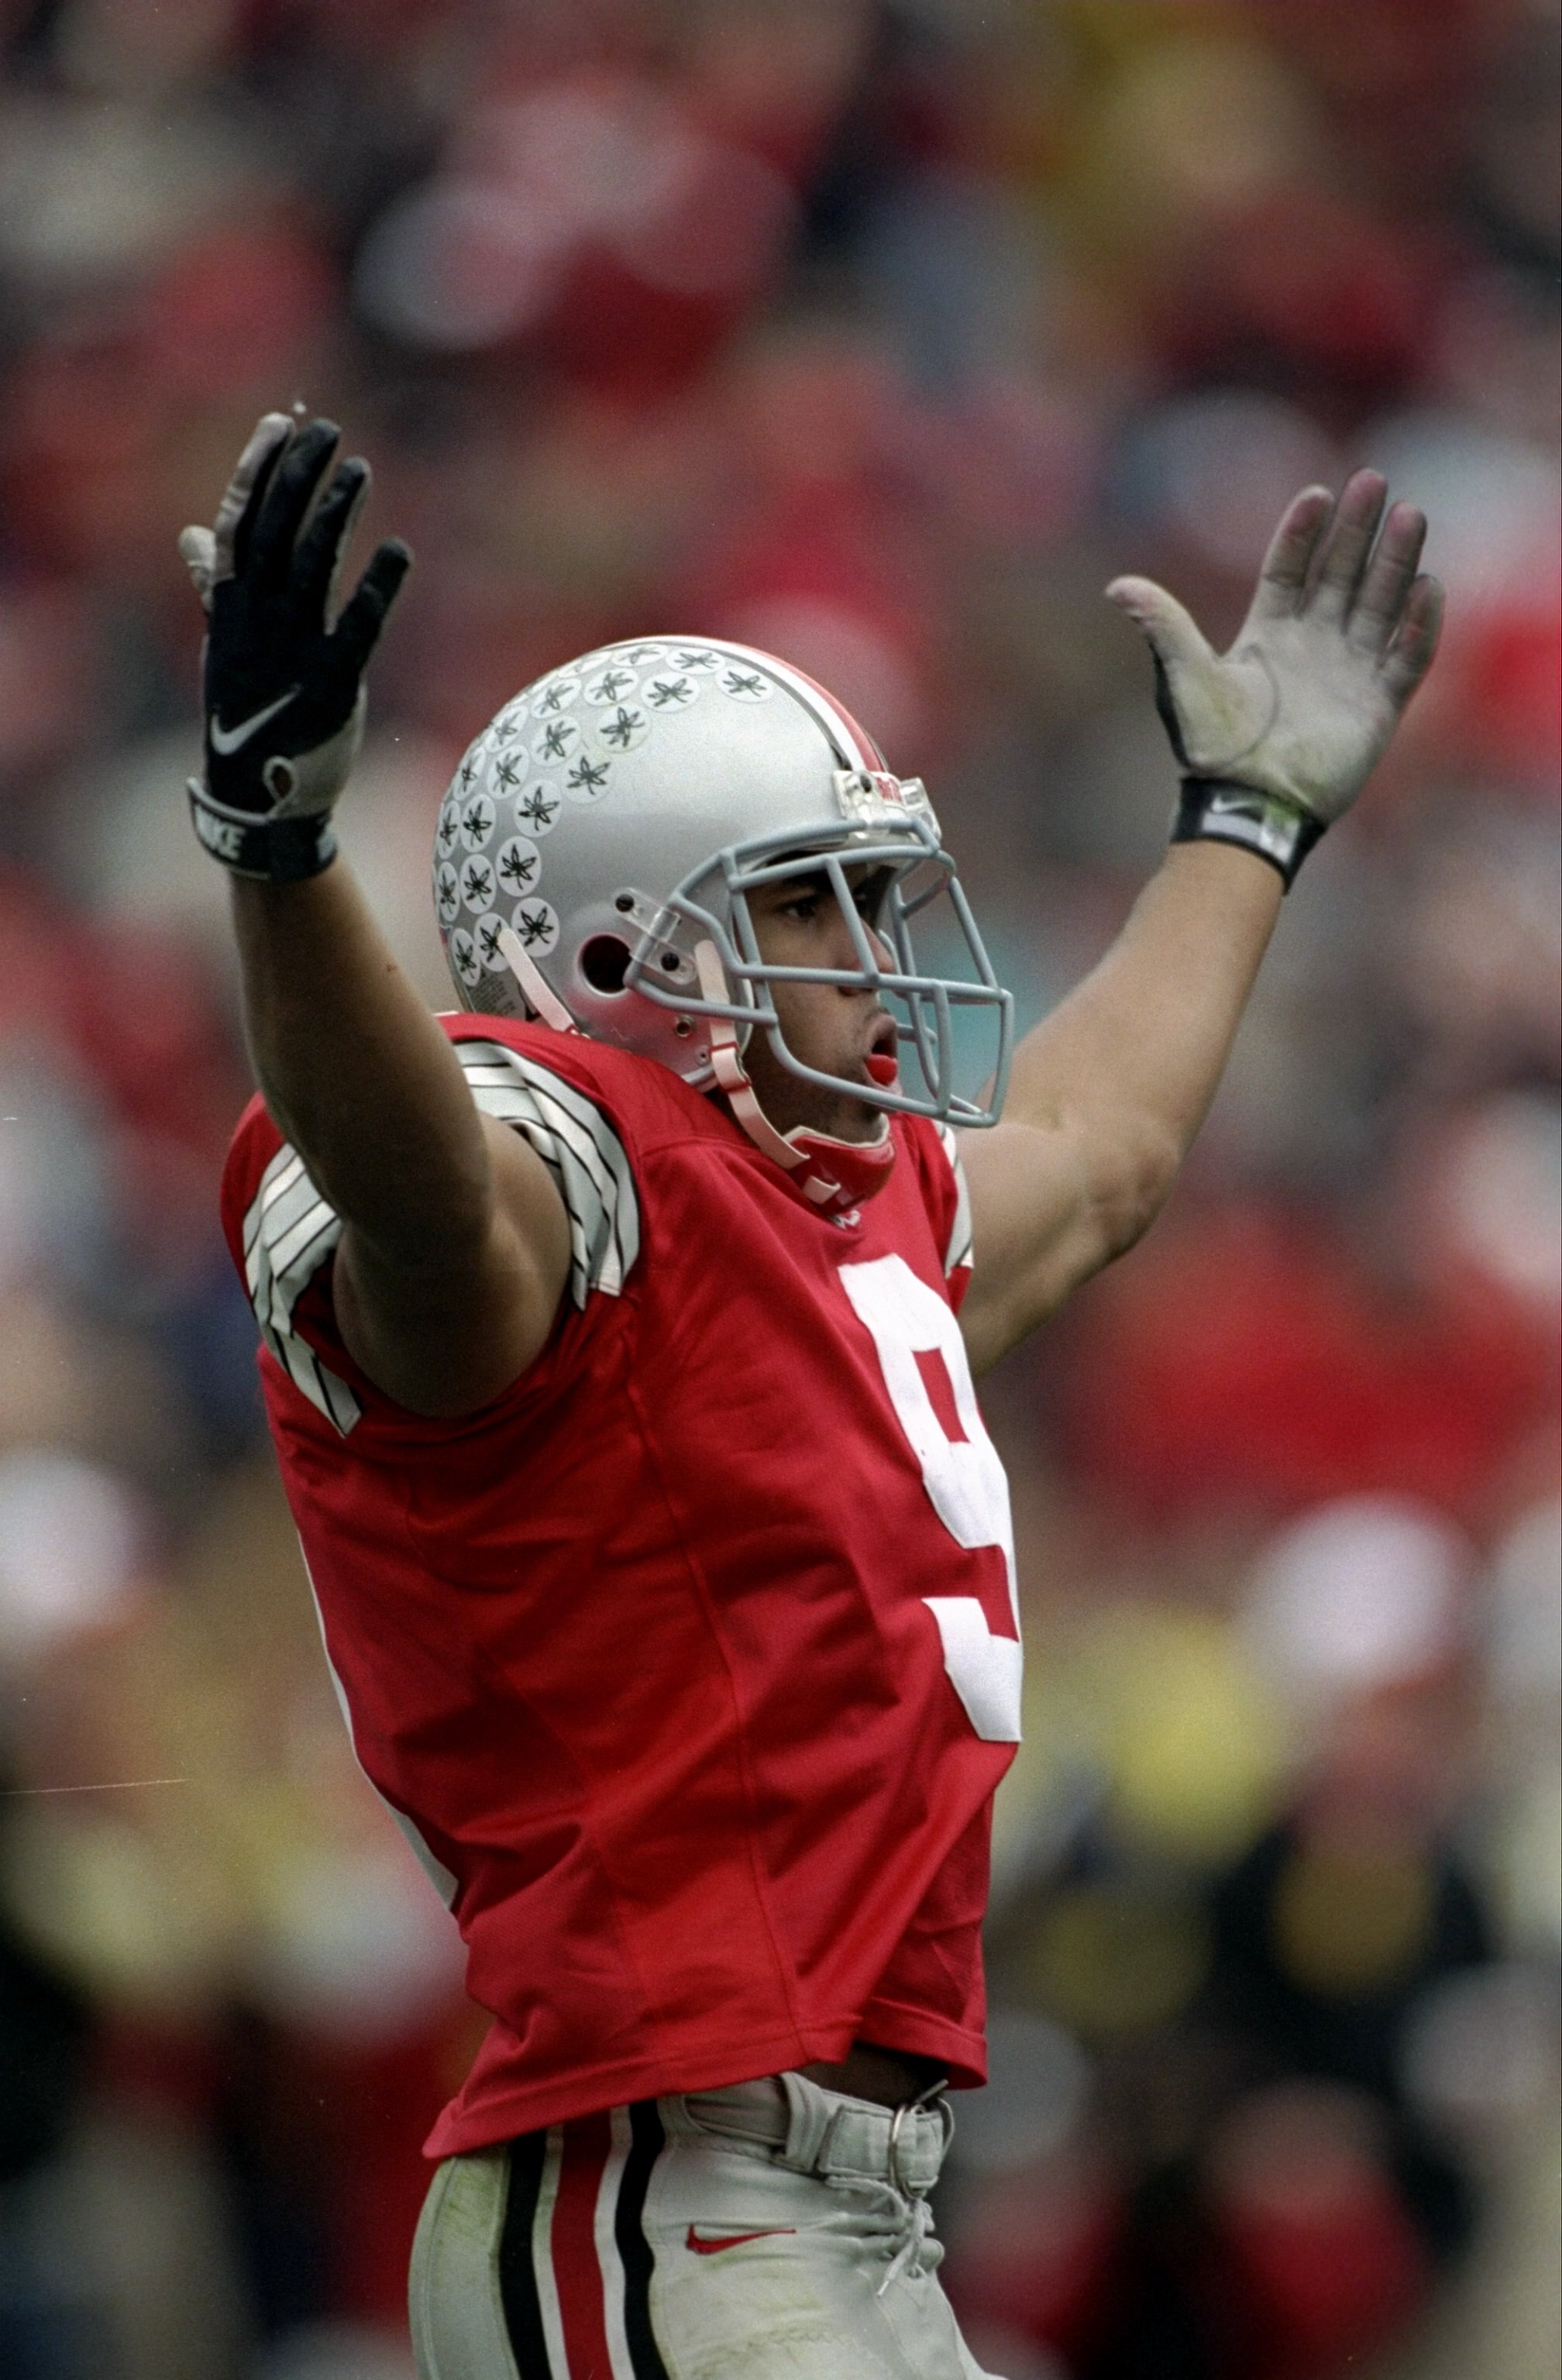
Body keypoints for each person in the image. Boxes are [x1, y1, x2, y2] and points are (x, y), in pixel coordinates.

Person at [180, 412, 1440, 2380]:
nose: (871, 953)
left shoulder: (835, 1221)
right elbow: (416, 1192)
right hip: (663, 2191)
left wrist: (1245, 821)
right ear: (616, 948)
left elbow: (1101, 1155)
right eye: (801, 903)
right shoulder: (559, 1164)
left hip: (839, 2207)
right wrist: (282, 851)